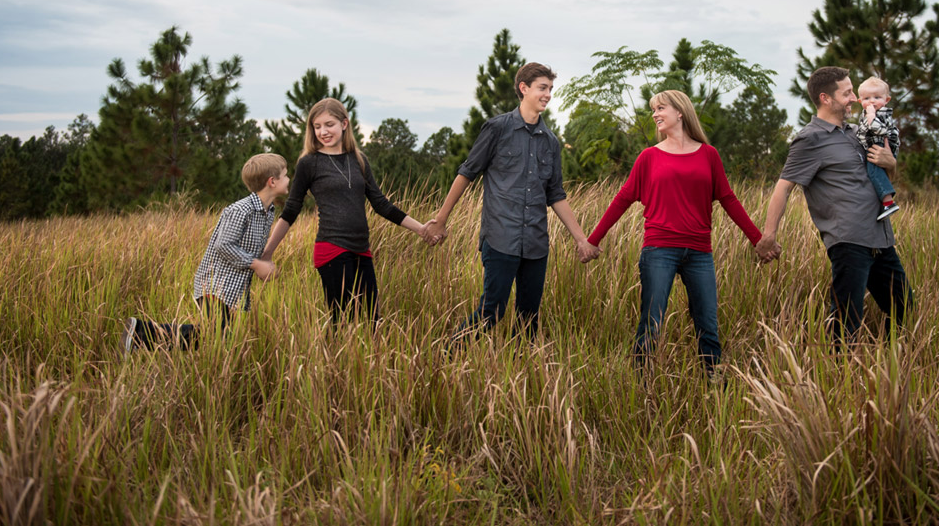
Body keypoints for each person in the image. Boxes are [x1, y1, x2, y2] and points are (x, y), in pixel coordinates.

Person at [585, 89, 763, 377]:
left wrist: (757, 239)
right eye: (653, 109)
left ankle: (714, 382)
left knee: (708, 324)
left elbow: (729, 199)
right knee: (651, 322)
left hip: (699, 252)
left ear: (680, 112)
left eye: (660, 108)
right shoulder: (649, 157)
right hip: (659, 250)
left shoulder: (709, 155)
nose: (655, 114)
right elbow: (622, 199)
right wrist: (592, 241)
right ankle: (641, 384)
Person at [423, 62, 598, 341]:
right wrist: (441, 220)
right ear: (524, 88)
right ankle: (447, 355)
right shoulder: (496, 129)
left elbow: (556, 195)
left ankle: (521, 378)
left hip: (536, 244)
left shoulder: (550, 142)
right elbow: (466, 173)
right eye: (542, 88)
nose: (548, 94)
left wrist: (581, 239)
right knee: (491, 313)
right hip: (500, 238)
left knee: (529, 321)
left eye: (551, 89)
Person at [756, 66, 911, 347]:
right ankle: (840, 376)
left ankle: (890, 367)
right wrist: (769, 235)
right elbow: (784, 186)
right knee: (846, 321)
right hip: (848, 239)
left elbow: (881, 176)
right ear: (826, 98)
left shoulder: (858, 132)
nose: (854, 98)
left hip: (881, 237)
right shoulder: (810, 139)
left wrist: (892, 164)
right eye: (847, 93)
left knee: (904, 309)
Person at [261, 98, 434, 326]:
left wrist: (421, 229)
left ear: (344, 124)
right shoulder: (309, 163)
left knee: (373, 320)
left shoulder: (359, 160)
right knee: (343, 322)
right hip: (331, 249)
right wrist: (267, 253)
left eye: (329, 124)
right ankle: (331, 362)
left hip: (362, 250)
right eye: (317, 126)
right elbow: (291, 209)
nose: (323, 131)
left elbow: (381, 204)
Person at [122, 153, 288, 353]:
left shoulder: (267, 211)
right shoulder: (241, 210)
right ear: (272, 181)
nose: (289, 179)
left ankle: (140, 334)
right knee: (217, 337)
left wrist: (264, 262)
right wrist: (256, 264)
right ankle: (141, 332)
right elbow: (223, 245)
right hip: (215, 284)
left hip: (233, 288)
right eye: (285, 175)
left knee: (216, 337)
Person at [855, 76, 901, 220]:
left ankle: (888, 202)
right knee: (873, 173)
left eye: (877, 97)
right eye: (867, 98)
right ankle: (882, 202)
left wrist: (871, 116)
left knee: (874, 172)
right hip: (875, 145)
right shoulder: (868, 114)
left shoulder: (881, 113)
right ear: (860, 101)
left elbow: (880, 131)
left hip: (879, 145)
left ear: (886, 100)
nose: (872, 101)